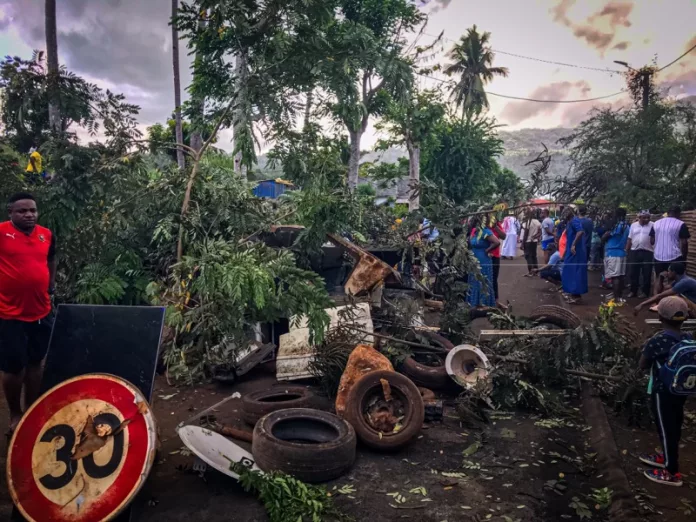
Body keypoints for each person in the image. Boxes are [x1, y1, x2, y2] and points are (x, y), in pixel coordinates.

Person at [0, 193, 56, 432]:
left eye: (32, 210)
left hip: (41, 310)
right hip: (8, 313)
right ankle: (15, 413)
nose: (29, 215)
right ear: (10, 212)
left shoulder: (46, 234)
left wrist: (50, 285)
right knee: (14, 369)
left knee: (35, 364)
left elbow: (51, 259)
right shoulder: (1, 232)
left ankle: (31, 410)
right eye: (22, 211)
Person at [638, 296, 691, 486]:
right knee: (674, 425)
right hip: (680, 391)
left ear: (660, 317)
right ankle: (665, 456)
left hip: (662, 391)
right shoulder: (687, 338)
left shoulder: (657, 340)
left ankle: (671, 472)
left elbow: (642, 364)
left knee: (665, 427)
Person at [466, 217, 500, 308]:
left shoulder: (485, 231)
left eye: (471, 221)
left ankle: (484, 304)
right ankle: (474, 303)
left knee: (482, 281)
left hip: (483, 260)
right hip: (473, 259)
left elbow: (496, 242)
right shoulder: (473, 231)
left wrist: (487, 250)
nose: (469, 223)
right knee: (474, 281)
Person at [652, 206, 690, 277]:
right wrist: (684, 257)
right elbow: (684, 243)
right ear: (678, 214)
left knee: (659, 278)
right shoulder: (681, 224)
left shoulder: (656, 223)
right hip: (675, 256)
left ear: (668, 213)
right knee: (675, 279)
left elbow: (652, 241)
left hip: (658, 256)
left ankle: (658, 288)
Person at [602, 208, 630, 301]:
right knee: (621, 275)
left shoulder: (616, 226)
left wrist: (604, 236)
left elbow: (605, 237)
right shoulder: (626, 226)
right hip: (622, 252)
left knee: (615, 277)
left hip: (613, 252)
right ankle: (619, 296)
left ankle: (616, 297)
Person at [561, 208, 588, 303]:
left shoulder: (574, 220)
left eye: (566, 212)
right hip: (571, 250)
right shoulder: (570, 222)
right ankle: (572, 293)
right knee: (570, 271)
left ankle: (576, 296)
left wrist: (573, 244)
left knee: (575, 271)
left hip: (575, 251)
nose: (564, 214)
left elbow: (580, 231)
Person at [627, 210, 655, 299]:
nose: (646, 219)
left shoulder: (653, 225)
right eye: (644, 217)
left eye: (648, 217)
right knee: (633, 272)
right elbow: (629, 238)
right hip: (634, 251)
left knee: (646, 273)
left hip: (648, 252)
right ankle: (633, 291)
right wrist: (627, 250)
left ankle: (645, 292)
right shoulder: (633, 225)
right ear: (639, 217)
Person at [487, 215, 506, 303]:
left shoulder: (496, 224)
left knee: (493, 279)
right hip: (483, 256)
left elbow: (503, 236)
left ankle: (495, 300)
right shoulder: (480, 226)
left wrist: (495, 227)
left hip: (495, 255)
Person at [521, 210, 541, 276]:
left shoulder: (527, 223)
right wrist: (535, 236)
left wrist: (522, 243)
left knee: (528, 256)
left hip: (528, 241)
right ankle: (535, 271)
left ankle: (530, 272)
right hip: (534, 241)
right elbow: (540, 232)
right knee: (534, 256)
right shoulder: (537, 222)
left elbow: (525, 234)